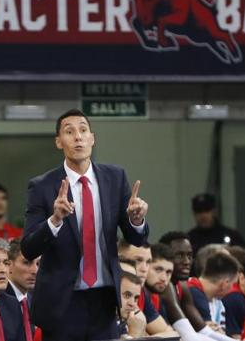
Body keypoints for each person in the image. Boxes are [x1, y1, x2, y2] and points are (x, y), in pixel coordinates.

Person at [21, 109, 149, 341]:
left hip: (104, 299)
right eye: (69, 132)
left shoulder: (115, 177)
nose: (78, 137)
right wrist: (55, 219)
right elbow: (28, 248)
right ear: (59, 142)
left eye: (83, 130)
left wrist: (136, 220)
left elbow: (136, 239)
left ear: (92, 138)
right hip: (62, 302)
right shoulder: (42, 186)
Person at [118, 240, 177, 336]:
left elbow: (172, 334)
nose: (145, 269)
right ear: (119, 259)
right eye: (138, 260)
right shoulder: (100, 296)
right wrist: (137, 333)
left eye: (148, 262)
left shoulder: (141, 292)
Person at [187, 252, 241, 331]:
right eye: (233, 284)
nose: (232, 288)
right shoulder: (195, 294)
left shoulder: (217, 302)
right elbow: (210, 336)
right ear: (225, 284)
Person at [5, 238, 39, 341]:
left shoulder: (37, 300)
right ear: (9, 265)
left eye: (38, 264)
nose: (35, 271)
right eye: (27, 263)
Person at [118, 270, 147, 338]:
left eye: (136, 298)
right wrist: (134, 333)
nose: (132, 304)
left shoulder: (127, 323)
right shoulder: (100, 324)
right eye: (127, 295)